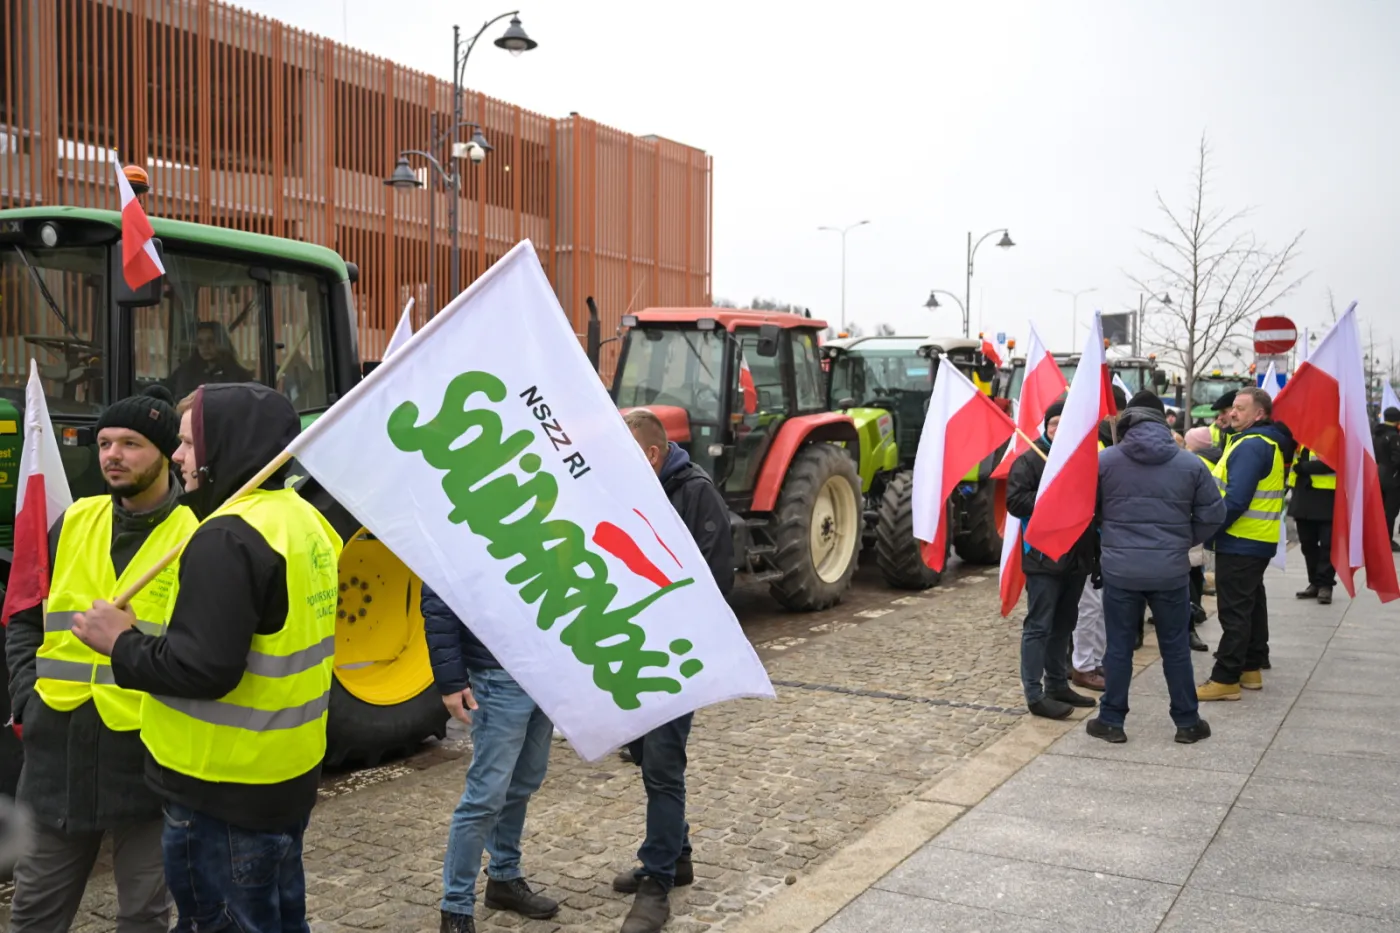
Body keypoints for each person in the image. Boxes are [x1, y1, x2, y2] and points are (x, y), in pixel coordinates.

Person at [69, 383, 343, 931]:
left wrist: (119, 641)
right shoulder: (303, 520)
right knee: (280, 918)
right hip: (283, 774)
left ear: (230, 444)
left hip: (219, 788)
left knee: (219, 920)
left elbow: (203, 669)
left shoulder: (227, 537)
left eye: (191, 444)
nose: (177, 456)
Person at [5, 386, 194, 933]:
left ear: (164, 452)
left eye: (130, 444)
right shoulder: (74, 522)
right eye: (105, 442)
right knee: (34, 914)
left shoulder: (196, 537)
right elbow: (22, 618)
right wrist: (26, 695)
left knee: (143, 916)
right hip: (55, 765)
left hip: (145, 768)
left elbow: (202, 657)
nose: (111, 454)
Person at [617, 408, 733, 933]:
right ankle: (677, 855)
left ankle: (657, 884)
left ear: (652, 455)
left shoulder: (696, 494)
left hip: (673, 657)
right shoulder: (633, 491)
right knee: (643, 754)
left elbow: (714, 584)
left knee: (663, 764)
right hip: (632, 651)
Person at [1085, 392, 1225, 744]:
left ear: (1128, 420)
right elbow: (1214, 515)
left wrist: (1111, 531)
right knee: (1175, 647)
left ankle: (1111, 720)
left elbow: (1089, 509)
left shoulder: (1105, 462)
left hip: (1120, 571)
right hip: (1170, 571)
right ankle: (1188, 722)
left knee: (1117, 647)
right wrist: (1181, 540)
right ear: (1165, 421)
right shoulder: (1190, 464)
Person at [422, 582, 558, 933]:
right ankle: (455, 909)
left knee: (524, 780)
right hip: (498, 677)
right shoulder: (458, 528)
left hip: (544, 671)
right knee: (485, 796)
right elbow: (439, 598)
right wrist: (450, 681)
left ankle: (504, 877)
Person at [1198, 387, 1295, 701]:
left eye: (1240, 408)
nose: (1232, 413)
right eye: (1232, 408)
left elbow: (1236, 499)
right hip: (1255, 539)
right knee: (1250, 605)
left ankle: (1225, 677)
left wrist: (1206, 528)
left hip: (1241, 539)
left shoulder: (1252, 445)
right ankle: (1250, 669)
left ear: (1259, 414)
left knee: (1234, 611)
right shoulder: (1258, 441)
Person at [1006, 401, 1099, 720]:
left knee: (1065, 623)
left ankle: (1058, 683)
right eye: (1053, 422)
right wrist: (1051, 494)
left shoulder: (1084, 459)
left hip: (1077, 557)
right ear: (1045, 427)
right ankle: (1034, 693)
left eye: (1064, 423)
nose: (1058, 428)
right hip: (1043, 557)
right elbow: (1016, 502)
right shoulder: (1029, 461)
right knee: (1039, 625)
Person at [1069, 385, 1129, 692]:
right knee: (1089, 604)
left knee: (1103, 604)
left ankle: (1097, 660)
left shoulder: (1110, 442)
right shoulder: (1091, 444)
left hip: (1107, 536)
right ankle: (1083, 665)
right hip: (1089, 538)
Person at [1288, 445, 1337, 605]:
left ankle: (1325, 584)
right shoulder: (1299, 439)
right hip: (1303, 495)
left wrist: (1304, 467)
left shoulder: (1333, 436)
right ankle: (1314, 582)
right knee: (1307, 544)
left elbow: (1334, 462)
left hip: (1328, 497)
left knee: (1328, 545)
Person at [167, 320, 254, 398]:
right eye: (200, 342)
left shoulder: (237, 374)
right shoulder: (186, 370)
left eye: (210, 341)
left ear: (221, 342)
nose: (205, 347)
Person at [1372, 407, 1400, 551]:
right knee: (1390, 511)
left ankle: (1378, 538)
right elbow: (1397, 459)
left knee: (1382, 509)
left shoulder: (1377, 434)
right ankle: (1387, 540)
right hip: (1393, 478)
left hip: (1380, 474)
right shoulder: (1394, 436)